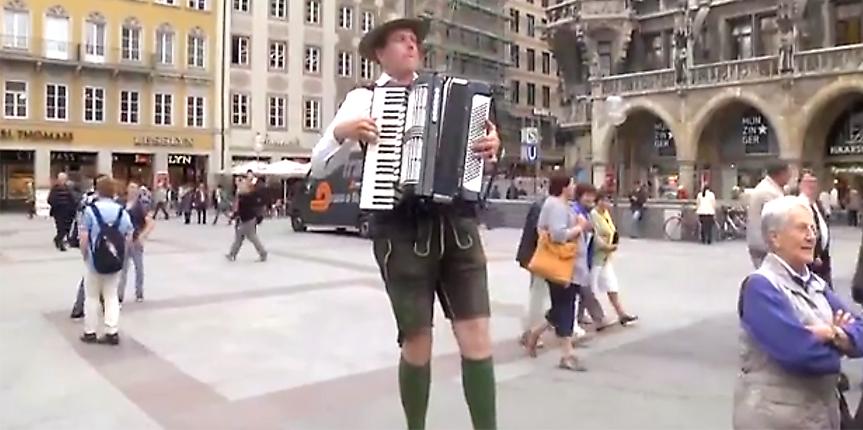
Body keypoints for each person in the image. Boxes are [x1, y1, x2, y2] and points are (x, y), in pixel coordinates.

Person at [310, 17, 500, 430]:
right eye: (400, 40)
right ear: (380, 53)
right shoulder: (365, 99)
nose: (411, 46)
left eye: (414, 40)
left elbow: (478, 152)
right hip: (401, 231)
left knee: (478, 338)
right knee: (418, 342)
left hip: (456, 226)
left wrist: (489, 147)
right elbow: (319, 164)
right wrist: (342, 132)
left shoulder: (452, 94)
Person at [733, 196, 863, 429]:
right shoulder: (760, 287)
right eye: (802, 228)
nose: (812, 236)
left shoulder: (816, 284)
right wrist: (844, 343)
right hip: (776, 419)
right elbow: (801, 355)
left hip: (822, 415)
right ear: (775, 238)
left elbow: (861, 331)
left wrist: (832, 334)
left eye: (813, 228)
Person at [523, 174, 589, 371]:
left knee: (562, 306)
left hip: (571, 266)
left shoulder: (563, 205)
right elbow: (558, 235)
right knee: (565, 306)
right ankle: (567, 355)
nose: (574, 187)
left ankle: (535, 334)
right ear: (564, 186)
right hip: (562, 266)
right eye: (572, 183)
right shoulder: (556, 206)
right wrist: (579, 228)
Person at [78, 176, 134, 345]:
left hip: (94, 260)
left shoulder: (90, 211)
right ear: (113, 191)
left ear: (98, 190)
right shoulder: (121, 212)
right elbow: (129, 236)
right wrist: (120, 254)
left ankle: (90, 331)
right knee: (111, 296)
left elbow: (83, 238)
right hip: (114, 260)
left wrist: (85, 255)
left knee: (92, 296)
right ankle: (112, 331)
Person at [590, 191, 638, 326]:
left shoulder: (605, 214)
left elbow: (611, 231)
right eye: (604, 200)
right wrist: (605, 246)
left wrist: (614, 243)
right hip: (596, 256)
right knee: (589, 289)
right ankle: (592, 318)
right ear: (598, 201)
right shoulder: (593, 215)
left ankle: (621, 314)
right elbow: (595, 235)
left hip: (606, 257)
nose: (607, 203)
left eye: (608, 201)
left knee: (612, 285)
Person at [570, 184, 612, 331]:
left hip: (585, 257)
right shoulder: (575, 211)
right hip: (574, 259)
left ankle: (581, 317)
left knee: (583, 289)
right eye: (586, 195)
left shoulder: (588, 213)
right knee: (584, 289)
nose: (590, 199)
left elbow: (593, 235)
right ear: (579, 196)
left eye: (592, 196)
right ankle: (598, 318)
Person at [515, 194, 552, 349]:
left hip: (539, 256)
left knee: (539, 294)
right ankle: (530, 332)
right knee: (538, 295)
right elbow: (540, 234)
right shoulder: (542, 207)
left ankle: (531, 330)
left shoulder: (548, 205)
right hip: (537, 257)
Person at [747, 163, 790, 268]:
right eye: (788, 173)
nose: (789, 177)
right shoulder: (769, 192)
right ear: (780, 174)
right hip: (766, 245)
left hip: (760, 242)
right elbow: (779, 218)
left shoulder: (767, 188)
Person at [118, 182, 155, 304]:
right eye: (131, 188)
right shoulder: (121, 204)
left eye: (135, 188)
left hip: (135, 241)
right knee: (122, 269)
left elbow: (150, 223)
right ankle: (119, 294)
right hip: (123, 241)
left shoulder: (140, 206)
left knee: (139, 268)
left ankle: (139, 293)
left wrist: (142, 236)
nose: (133, 190)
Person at [798, 170, 832, 288]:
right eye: (807, 182)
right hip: (811, 257)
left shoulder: (817, 203)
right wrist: (814, 254)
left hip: (823, 255)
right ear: (800, 184)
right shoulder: (800, 204)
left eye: (814, 182)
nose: (811, 185)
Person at [225, 179, 268, 262]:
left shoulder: (246, 197)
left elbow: (241, 210)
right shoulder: (246, 197)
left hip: (248, 220)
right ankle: (232, 254)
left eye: (241, 187)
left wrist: (233, 217)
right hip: (247, 219)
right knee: (240, 238)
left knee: (251, 237)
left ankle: (263, 253)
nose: (239, 188)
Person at [48, 172, 77, 251]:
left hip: (68, 212)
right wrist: (57, 205)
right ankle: (60, 243)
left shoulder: (68, 188)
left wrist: (73, 207)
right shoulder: (55, 189)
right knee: (61, 228)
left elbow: (73, 199)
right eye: (61, 179)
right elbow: (50, 200)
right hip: (59, 212)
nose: (62, 181)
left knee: (67, 228)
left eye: (64, 179)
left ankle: (58, 239)